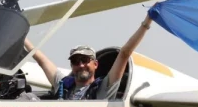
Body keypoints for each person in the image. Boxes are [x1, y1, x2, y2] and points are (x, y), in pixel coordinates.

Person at [23, 13, 154, 100]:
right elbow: (41, 60)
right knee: (28, 97)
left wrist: (147, 23)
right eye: (75, 61)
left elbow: (124, 54)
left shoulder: (103, 88)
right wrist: (21, 35)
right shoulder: (63, 85)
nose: (80, 65)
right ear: (72, 66)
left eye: (85, 60)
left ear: (95, 64)